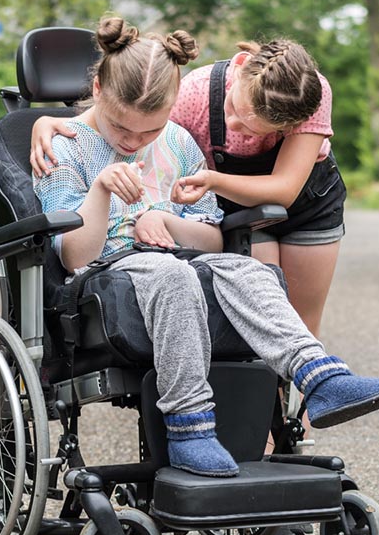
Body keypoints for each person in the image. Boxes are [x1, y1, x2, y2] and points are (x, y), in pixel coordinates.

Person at [33, 16, 379, 480]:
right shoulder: (63, 148)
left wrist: (169, 221)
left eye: (148, 132)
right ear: (96, 88)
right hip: (110, 270)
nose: (133, 143)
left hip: (182, 256)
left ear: (171, 108)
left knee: (246, 269)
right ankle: (190, 429)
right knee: (171, 276)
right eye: (121, 129)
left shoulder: (177, 141)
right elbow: (73, 257)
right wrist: (102, 191)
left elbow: (210, 236)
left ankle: (323, 378)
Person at [32, 37, 345, 339]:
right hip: (241, 208)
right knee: (261, 319)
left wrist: (210, 182)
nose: (236, 127)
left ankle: (317, 385)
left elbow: (284, 190)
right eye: (234, 110)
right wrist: (48, 122)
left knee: (301, 323)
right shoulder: (195, 93)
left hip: (307, 202)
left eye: (254, 128)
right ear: (238, 69)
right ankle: (267, 391)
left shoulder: (308, 93)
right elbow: (133, 112)